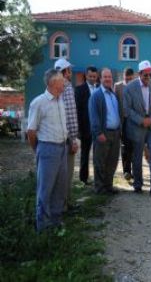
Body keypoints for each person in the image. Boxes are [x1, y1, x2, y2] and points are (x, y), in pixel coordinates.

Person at [27, 69, 68, 231]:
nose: (64, 83)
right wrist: (38, 149)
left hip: (62, 148)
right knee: (45, 189)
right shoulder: (38, 103)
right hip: (47, 149)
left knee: (60, 188)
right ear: (52, 83)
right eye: (61, 80)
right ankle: (43, 227)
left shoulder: (60, 100)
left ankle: (56, 222)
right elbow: (31, 131)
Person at [123, 60, 151, 197]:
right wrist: (141, 120)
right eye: (146, 75)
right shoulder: (129, 88)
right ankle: (138, 184)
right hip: (136, 127)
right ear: (139, 74)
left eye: (150, 75)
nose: (148, 78)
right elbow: (127, 110)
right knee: (137, 156)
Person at [88, 68, 121, 194]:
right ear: (100, 79)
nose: (108, 79)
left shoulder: (113, 95)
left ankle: (108, 186)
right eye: (105, 77)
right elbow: (94, 116)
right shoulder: (96, 96)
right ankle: (100, 188)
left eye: (109, 77)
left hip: (115, 133)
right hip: (103, 133)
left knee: (112, 161)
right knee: (100, 162)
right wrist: (98, 133)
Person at [54, 58, 79, 210]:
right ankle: (64, 206)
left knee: (61, 174)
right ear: (64, 72)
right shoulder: (67, 87)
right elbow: (70, 116)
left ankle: (64, 203)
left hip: (59, 138)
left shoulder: (54, 87)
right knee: (67, 174)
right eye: (69, 70)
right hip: (68, 139)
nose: (71, 73)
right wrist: (73, 140)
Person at [75, 66, 99, 186]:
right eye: (90, 76)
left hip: (98, 128)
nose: (92, 78)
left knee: (98, 154)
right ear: (86, 75)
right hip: (85, 128)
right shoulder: (79, 90)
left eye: (94, 76)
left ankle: (98, 177)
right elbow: (77, 111)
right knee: (85, 154)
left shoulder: (99, 89)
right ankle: (83, 178)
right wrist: (79, 129)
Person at [114, 67, 134, 182]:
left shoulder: (137, 85)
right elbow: (115, 103)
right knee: (125, 147)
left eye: (130, 79)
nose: (128, 81)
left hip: (134, 121)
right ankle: (127, 171)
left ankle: (135, 171)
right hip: (123, 121)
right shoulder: (118, 86)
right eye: (126, 78)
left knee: (134, 147)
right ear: (123, 76)